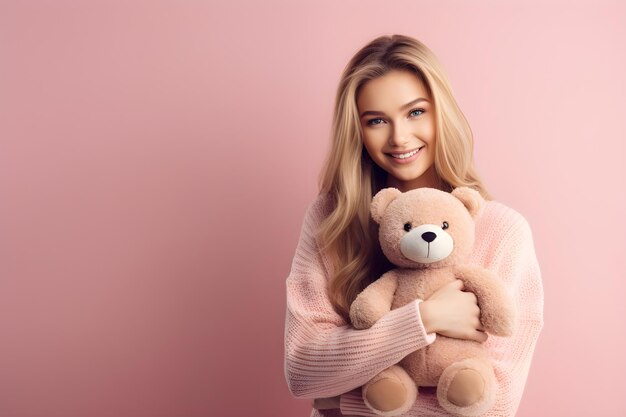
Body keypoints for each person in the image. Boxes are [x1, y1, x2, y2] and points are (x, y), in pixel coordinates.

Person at [283, 34, 544, 417]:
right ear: (357, 130)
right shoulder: (331, 218)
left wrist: (344, 400)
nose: (399, 137)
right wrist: (424, 319)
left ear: (442, 112)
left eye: (416, 112)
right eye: (376, 121)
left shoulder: (500, 230)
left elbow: (495, 402)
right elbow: (303, 371)